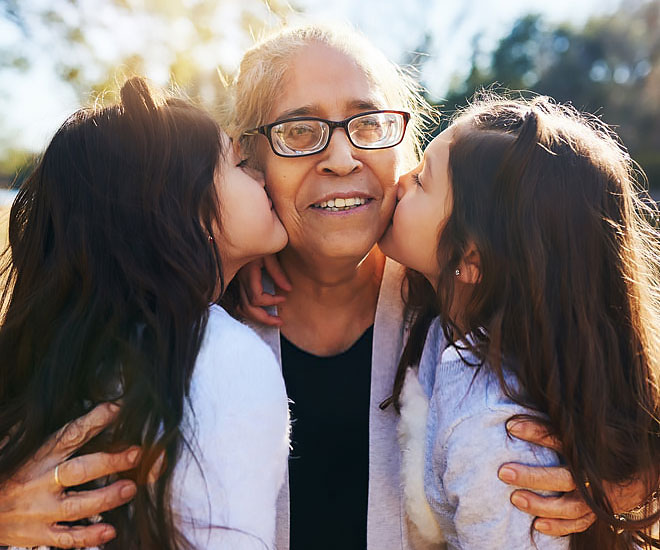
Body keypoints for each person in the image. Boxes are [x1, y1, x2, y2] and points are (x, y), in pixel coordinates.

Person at [228, 24, 614, 549]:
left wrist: (622, 480)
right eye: (299, 130)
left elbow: (610, 365)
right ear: (249, 159)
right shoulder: (202, 314)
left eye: (367, 125)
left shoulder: (466, 300)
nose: (342, 159)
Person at [0, 77, 289, 549]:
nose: (262, 177)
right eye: (239, 165)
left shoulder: (60, 359)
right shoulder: (224, 361)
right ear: (184, 212)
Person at [379, 95, 660, 549]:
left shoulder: (495, 433)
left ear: (470, 258)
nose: (401, 179)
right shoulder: (454, 330)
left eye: (423, 180)